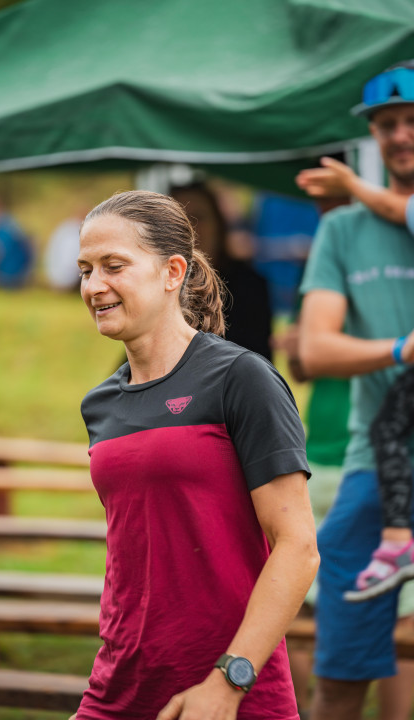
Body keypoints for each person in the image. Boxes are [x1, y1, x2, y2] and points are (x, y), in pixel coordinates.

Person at [70, 189, 319, 720]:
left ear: (173, 272)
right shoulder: (100, 404)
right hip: (120, 685)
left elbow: (298, 547)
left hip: (229, 692)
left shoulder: (241, 378)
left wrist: (228, 681)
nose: (94, 286)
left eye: (114, 266)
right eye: (85, 270)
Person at [297, 60, 414, 720]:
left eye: (412, 120)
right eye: (386, 123)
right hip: (377, 466)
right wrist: (399, 350)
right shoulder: (343, 230)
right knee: (340, 674)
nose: (400, 135)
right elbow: (315, 348)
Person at [298, 155, 414, 603]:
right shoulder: (342, 235)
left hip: (350, 453)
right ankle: (397, 541)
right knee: (387, 428)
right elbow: (310, 357)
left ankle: (397, 542)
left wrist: (352, 184)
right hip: (343, 452)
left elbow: (397, 207)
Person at [170, 182, 273, 359]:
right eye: (180, 219)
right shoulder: (158, 285)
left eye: (198, 217)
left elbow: (252, 359)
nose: (190, 228)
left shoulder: (248, 286)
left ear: (218, 225)